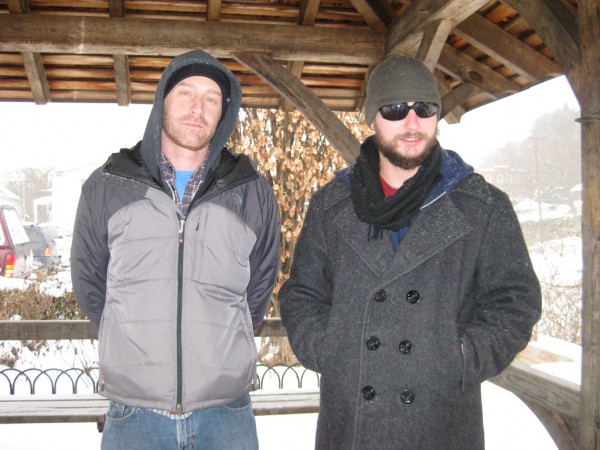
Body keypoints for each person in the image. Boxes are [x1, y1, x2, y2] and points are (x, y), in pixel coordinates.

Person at [279, 55, 541, 449]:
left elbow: (515, 302)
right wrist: (329, 348)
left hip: (441, 418)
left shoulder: (482, 206)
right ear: (372, 118)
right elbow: (302, 294)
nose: (412, 122)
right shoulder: (331, 206)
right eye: (395, 109)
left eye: (425, 108)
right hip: (352, 421)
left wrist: (462, 357)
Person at [71, 49, 280, 449]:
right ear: (162, 100)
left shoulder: (251, 191)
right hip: (135, 415)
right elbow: (91, 286)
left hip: (226, 413)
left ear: (224, 113)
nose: (197, 108)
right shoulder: (108, 185)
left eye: (211, 98)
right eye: (185, 92)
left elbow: (258, 290)